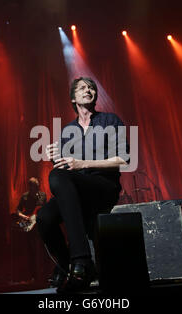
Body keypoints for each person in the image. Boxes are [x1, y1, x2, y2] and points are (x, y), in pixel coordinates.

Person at [36, 77, 129, 293]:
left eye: (92, 87)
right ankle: (67, 262)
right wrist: (56, 157)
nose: (88, 89)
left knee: (58, 177)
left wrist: (82, 163)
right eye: (82, 88)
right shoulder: (69, 130)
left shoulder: (110, 120)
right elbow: (67, 170)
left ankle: (82, 261)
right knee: (44, 218)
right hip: (77, 189)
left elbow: (124, 159)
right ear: (73, 98)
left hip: (103, 186)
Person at [14, 177, 47, 282]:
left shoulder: (42, 195)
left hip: (40, 224)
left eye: (37, 187)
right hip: (29, 224)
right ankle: (33, 274)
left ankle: (43, 273)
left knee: (42, 249)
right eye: (33, 187)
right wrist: (23, 216)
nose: (35, 189)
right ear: (30, 187)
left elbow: (42, 208)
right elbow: (18, 210)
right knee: (31, 250)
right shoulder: (25, 196)